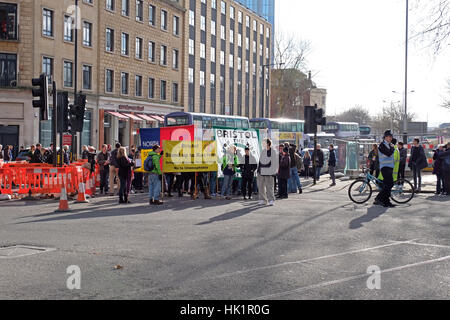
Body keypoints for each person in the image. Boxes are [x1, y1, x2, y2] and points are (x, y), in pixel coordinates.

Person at [374, 130, 396, 208]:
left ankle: (386, 201)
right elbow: (389, 153)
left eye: (391, 137)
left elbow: (394, 143)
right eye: (389, 137)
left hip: (389, 167)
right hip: (385, 167)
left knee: (388, 185)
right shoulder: (382, 145)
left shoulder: (389, 145)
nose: (391, 138)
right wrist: (392, 148)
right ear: (385, 137)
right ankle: (379, 198)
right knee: (390, 184)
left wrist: (392, 146)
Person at [257, 139, 278, 206]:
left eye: (263, 143)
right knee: (261, 187)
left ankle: (271, 200)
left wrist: (273, 171)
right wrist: (258, 170)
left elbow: (275, 162)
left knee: (269, 187)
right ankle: (263, 200)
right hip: (261, 171)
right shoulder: (263, 151)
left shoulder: (273, 151)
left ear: (268, 143)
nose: (262, 144)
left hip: (269, 171)